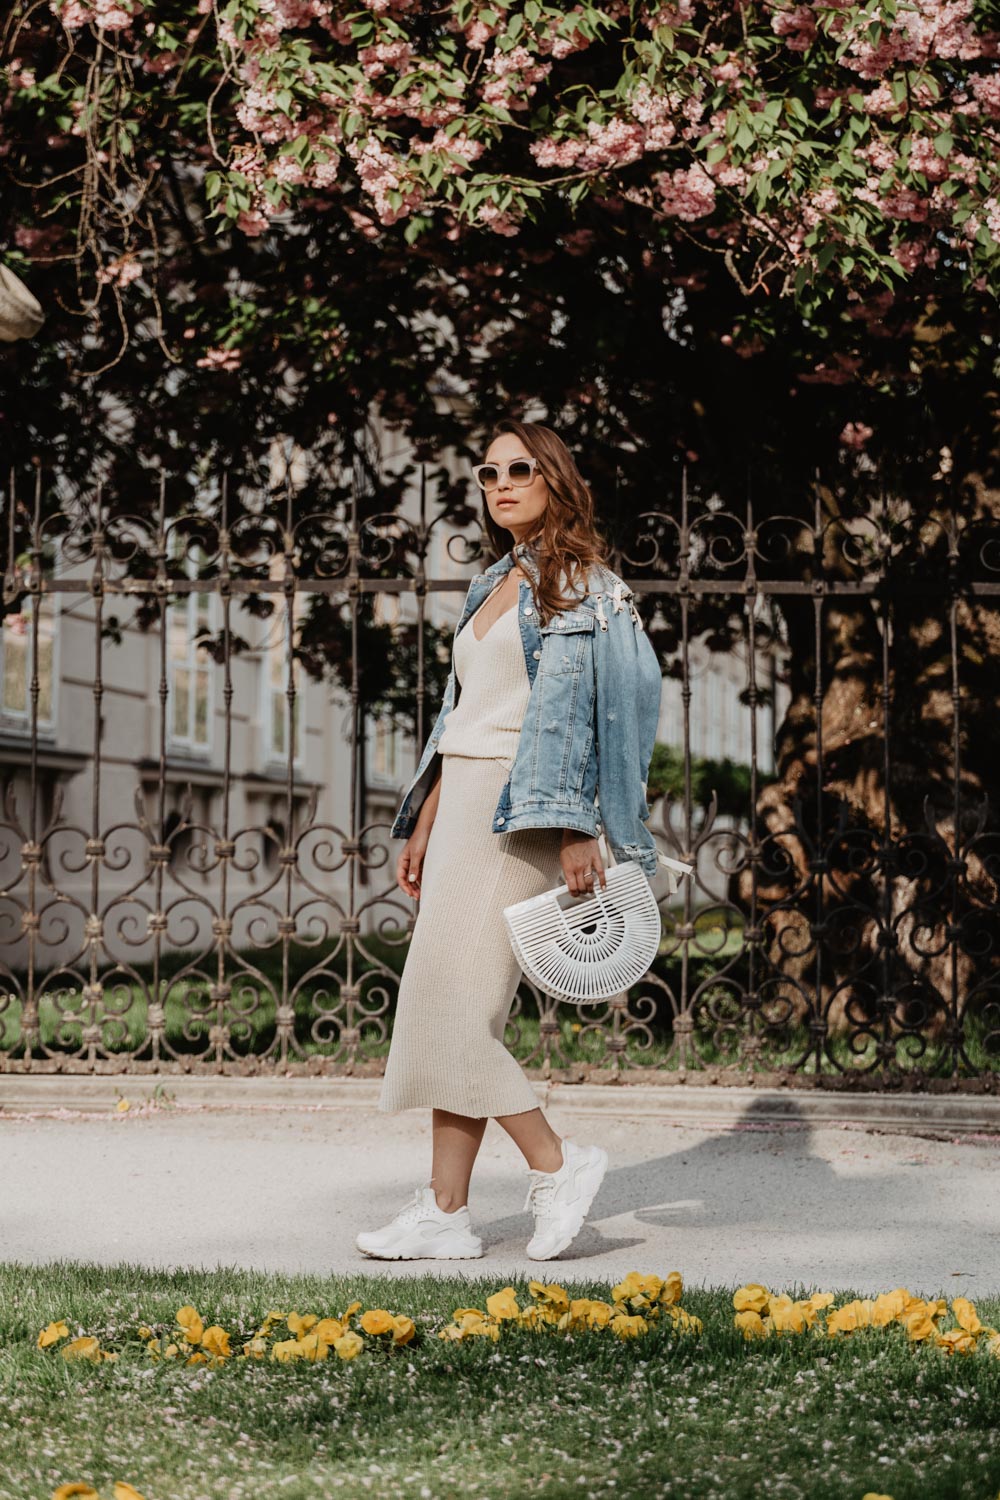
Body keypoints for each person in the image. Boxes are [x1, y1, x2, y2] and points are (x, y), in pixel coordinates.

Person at [355, 417, 663, 1262]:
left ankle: (558, 1163)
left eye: (520, 469)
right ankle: (446, 1214)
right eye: (488, 474)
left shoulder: (583, 584)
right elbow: (464, 716)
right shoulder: (497, 578)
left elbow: (600, 717)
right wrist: (422, 817)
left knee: (447, 1012)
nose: (501, 485)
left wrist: (579, 826)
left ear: (556, 478)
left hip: (521, 812)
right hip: (462, 807)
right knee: (456, 1008)